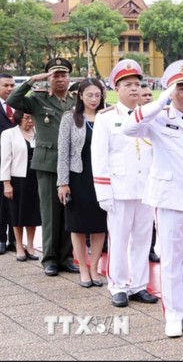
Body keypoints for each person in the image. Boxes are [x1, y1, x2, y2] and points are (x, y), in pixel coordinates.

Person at [122, 59, 183, 338]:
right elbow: (128, 128)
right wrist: (160, 101)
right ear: (170, 90)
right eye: (182, 88)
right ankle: (174, 314)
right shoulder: (158, 117)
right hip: (170, 198)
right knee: (172, 258)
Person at [92, 60, 158, 307]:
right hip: (119, 189)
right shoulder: (106, 118)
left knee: (143, 239)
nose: (134, 89)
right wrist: (103, 192)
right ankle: (118, 286)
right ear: (116, 88)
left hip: (145, 188)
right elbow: (99, 157)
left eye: (137, 84)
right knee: (119, 240)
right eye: (128, 84)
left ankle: (139, 285)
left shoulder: (150, 116)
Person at [7, 58, 79, 276]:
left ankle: (66, 257)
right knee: (50, 213)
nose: (60, 79)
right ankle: (49, 259)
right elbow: (13, 100)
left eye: (63, 75)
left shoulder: (75, 101)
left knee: (69, 212)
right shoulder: (38, 100)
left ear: (69, 78)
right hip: (48, 163)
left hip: (73, 164)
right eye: (55, 75)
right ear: (49, 78)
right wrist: (32, 80)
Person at [57, 78, 108, 288]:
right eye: (90, 95)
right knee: (77, 226)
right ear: (80, 95)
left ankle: (95, 268)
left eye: (98, 95)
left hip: (102, 178)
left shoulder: (106, 117)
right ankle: (84, 269)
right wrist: (63, 182)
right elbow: (63, 153)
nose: (94, 99)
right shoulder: (70, 118)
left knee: (99, 225)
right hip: (78, 177)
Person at [1, 110, 41, 261]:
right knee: (17, 214)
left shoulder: (39, 132)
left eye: (32, 118)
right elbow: (5, 160)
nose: (30, 121)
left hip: (36, 179)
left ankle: (30, 246)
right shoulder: (9, 134)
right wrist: (6, 183)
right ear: (19, 118)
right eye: (26, 118)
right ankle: (19, 245)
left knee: (33, 214)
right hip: (17, 180)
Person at [138, 80, 160, 263]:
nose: (147, 98)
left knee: (152, 218)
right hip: (137, 177)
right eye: (143, 95)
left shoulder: (160, 117)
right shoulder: (133, 120)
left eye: (149, 95)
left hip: (157, 176)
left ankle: (151, 248)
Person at [0, 73, 17, 255]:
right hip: (0, 161)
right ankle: (1, 239)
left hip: (18, 162)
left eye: (12, 85)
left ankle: (14, 238)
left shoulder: (19, 105)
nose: (10, 89)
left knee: (16, 202)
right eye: (6, 85)